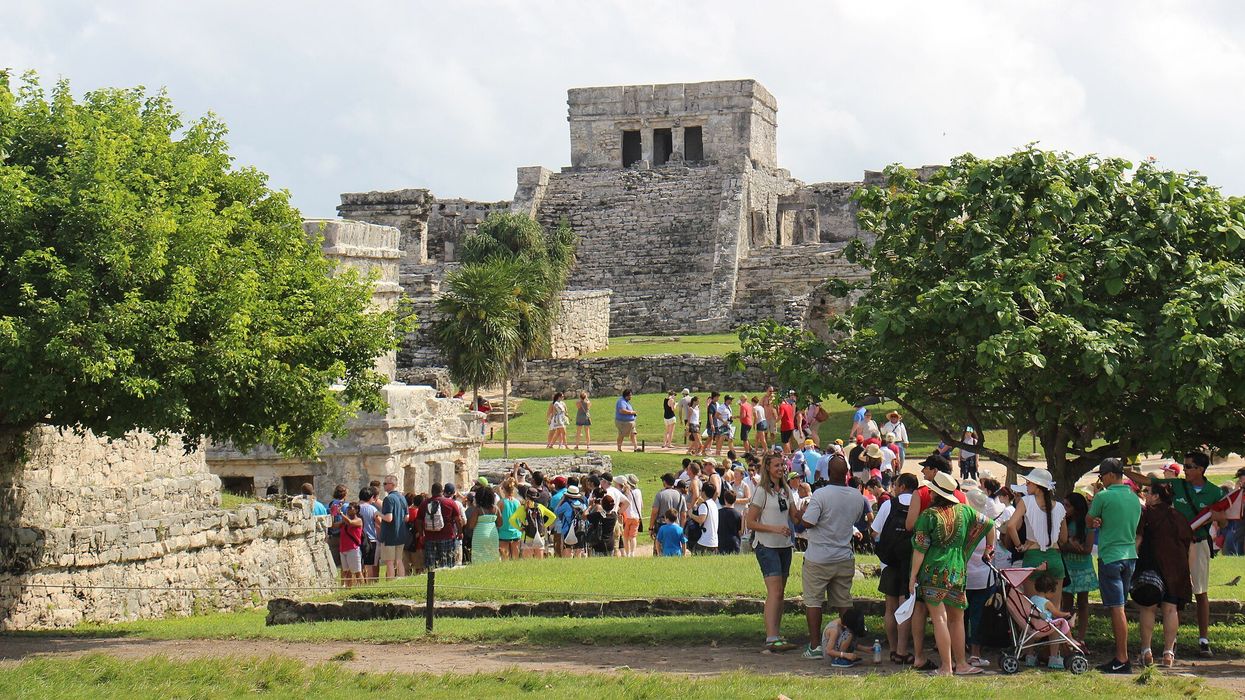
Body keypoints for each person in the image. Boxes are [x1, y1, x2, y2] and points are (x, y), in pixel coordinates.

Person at [1125, 450, 1226, 657]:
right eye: (1185, 466)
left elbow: (1223, 521)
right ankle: (1172, 642)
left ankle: (1203, 638)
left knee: (1200, 590)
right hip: (1173, 548)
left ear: (1200, 469)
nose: (1185, 470)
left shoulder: (1214, 492)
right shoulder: (1179, 485)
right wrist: (1124, 471)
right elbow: (1148, 481)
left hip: (1197, 543)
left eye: (1189, 466)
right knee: (1174, 592)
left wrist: (1214, 516)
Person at [909, 470, 995, 676]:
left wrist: (912, 576)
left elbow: (920, 550)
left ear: (936, 494)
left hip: (933, 571)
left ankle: (946, 667)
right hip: (957, 569)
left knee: (939, 618)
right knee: (957, 618)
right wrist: (988, 549)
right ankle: (962, 664)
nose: (929, 494)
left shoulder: (928, 516)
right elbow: (990, 524)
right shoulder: (965, 511)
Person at [798, 455, 869, 659]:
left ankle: (815, 646)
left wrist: (801, 513)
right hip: (844, 555)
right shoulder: (856, 496)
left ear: (828, 473)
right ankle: (848, 643)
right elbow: (856, 519)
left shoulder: (821, 495)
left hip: (818, 556)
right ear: (847, 473)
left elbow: (808, 523)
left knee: (813, 601)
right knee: (843, 601)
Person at [1087, 458, 1143, 674]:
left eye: (1102, 476)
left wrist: (1096, 520)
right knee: (1120, 606)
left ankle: (1122, 658)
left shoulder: (1103, 496)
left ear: (1110, 474)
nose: (1101, 480)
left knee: (1116, 608)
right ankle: (1122, 656)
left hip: (1110, 556)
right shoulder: (1134, 497)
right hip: (1130, 555)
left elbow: (1089, 520)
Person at [1136, 481, 1195, 668]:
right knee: (1171, 609)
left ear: (1156, 496)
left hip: (1150, 565)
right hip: (1177, 569)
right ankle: (1168, 653)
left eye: (1148, 491)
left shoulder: (1146, 514)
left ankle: (1146, 650)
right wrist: (1188, 571)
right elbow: (1190, 545)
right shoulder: (1179, 516)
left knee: (1148, 608)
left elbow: (1139, 539)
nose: (1145, 494)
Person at [746, 452, 798, 652]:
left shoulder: (785, 489)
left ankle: (776, 634)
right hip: (767, 545)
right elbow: (750, 522)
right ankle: (771, 637)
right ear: (767, 468)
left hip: (784, 546)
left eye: (782, 465)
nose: (780, 468)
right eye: (776, 465)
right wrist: (775, 528)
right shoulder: (761, 491)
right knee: (774, 592)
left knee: (780, 593)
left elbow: (795, 517)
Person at [872, 472, 917, 665]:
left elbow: (875, 531)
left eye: (897, 485)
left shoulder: (888, 504)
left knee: (890, 609)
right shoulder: (920, 506)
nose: (894, 489)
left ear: (903, 486)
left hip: (890, 564)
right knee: (905, 609)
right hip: (911, 565)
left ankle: (892, 649)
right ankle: (902, 650)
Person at [1004, 468, 1066, 599]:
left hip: (1033, 557)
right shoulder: (1060, 507)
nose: (1026, 485)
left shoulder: (1026, 502)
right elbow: (1064, 538)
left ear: (1038, 486)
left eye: (1029, 482)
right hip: (1055, 557)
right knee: (1055, 607)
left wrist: (1019, 546)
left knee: (1033, 607)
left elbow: (1010, 526)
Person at [963, 487, 997, 668]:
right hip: (983, 578)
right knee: (977, 617)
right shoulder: (989, 524)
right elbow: (992, 551)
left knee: (960, 617)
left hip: (963, 576)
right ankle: (975, 654)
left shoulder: (963, 523)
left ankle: (958, 654)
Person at [1061, 492, 1097, 645]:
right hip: (1068, 567)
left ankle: (1081, 638)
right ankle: (1067, 638)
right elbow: (1060, 545)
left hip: (1083, 569)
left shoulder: (1087, 524)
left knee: (1083, 603)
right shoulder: (1064, 522)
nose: (1064, 508)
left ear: (1077, 508)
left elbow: (1087, 549)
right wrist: (1071, 545)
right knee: (1066, 604)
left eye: (1067, 506)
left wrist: (1069, 545)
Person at [1028, 573, 1074, 669]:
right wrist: (1066, 614)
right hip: (1045, 626)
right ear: (1048, 591)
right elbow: (1056, 613)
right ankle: (1056, 654)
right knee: (1059, 623)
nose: (1053, 595)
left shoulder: (1032, 599)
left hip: (1033, 625)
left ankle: (1030, 657)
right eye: (1053, 592)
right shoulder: (1047, 602)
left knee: (1030, 637)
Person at [416, 482, 464, 571]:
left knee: (431, 564)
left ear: (431, 491)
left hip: (430, 537)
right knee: (447, 563)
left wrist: (421, 534)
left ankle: (431, 581)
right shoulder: (450, 503)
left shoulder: (424, 504)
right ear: (442, 491)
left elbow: (418, 521)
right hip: (447, 536)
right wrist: (460, 533)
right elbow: (458, 519)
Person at [376, 474, 409, 579]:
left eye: (385, 483)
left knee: (389, 561)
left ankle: (391, 582)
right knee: (399, 560)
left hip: (389, 535)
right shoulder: (402, 498)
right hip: (401, 534)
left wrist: (378, 513)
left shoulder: (388, 499)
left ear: (392, 485)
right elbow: (407, 517)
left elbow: (388, 518)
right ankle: (401, 579)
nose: (384, 485)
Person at [512, 486, 556, 559]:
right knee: (539, 562)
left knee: (527, 563)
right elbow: (553, 517)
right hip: (539, 536)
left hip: (527, 536)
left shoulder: (522, 508)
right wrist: (544, 525)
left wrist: (519, 528)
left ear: (526, 496)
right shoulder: (540, 507)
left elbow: (512, 519)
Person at [467, 487, 501, 564]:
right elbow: (500, 523)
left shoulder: (478, 510)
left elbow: (471, 525)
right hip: (493, 534)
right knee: (492, 556)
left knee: (479, 556)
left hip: (480, 534)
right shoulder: (496, 509)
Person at [555, 484, 588, 558]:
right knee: (578, 550)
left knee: (568, 548)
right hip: (580, 529)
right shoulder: (582, 505)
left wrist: (561, 500)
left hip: (567, 529)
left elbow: (556, 511)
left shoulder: (566, 505)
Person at [689, 482, 721, 554]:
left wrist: (691, 515)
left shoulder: (704, 505)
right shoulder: (713, 504)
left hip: (705, 541)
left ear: (703, 492)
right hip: (714, 541)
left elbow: (701, 520)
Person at [357, 487, 380, 583]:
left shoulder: (355, 507)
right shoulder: (372, 509)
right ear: (370, 497)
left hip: (358, 538)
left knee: (360, 563)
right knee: (370, 564)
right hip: (371, 539)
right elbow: (379, 522)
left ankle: (360, 583)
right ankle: (370, 583)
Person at [338, 503, 364, 587]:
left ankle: (362, 589)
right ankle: (348, 589)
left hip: (353, 548)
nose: (348, 509)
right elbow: (334, 525)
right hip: (343, 549)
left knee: (357, 572)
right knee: (346, 572)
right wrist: (333, 514)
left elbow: (350, 522)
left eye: (350, 508)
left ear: (356, 510)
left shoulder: (359, 520)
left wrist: (341, 514)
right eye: (348, 508)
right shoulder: (344, 521)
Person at [587, 493, 619, 557]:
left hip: (598, 544)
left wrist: (590, 506)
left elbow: (584, 516)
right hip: (610, 544)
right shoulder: (614, 515)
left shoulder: (598, 515)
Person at [497, 479, 522, 561]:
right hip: (516, 532)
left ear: (504, 490)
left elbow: (497, 516)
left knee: (505, 559)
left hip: (503, 532)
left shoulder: (501, 502)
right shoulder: (517, 502)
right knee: (516, 558)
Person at [326, 484, 349, 570]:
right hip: (343, 535)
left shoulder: (330, 504)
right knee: (345, 563)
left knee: (334, 563)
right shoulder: (346, 506)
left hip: (332, 535)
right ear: (345, 494)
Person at [718, 490, 742, 554]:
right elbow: (740, 532)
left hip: (721, 541)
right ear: (735, 500)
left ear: (725, 499)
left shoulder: (718, 513)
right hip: (734, 542)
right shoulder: (738, 514)